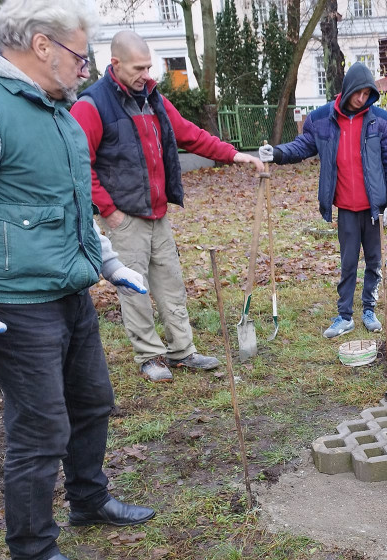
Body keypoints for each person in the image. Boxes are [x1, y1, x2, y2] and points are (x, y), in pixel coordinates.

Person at [0, 0, 156, 560]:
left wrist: (109, 263)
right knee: (39, 428)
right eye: (79, 55)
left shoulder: (58, 112)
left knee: (91, 402)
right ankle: (33, 554)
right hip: (14, 302)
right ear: (42, 45)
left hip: (67, 290)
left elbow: (68, 205)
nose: (86, 68)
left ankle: (89, 499)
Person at [71, 30, 264, 383]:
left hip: (158, 213)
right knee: (134, 288)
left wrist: (234, 155)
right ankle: (150, 356)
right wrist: (108, 211)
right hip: (123, 218)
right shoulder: (91, 105)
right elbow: (79, 166)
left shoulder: (153, 98)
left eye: (149, 66)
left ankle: (182, 351)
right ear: (115, 64)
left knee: (171, 284)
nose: (146, 74)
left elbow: (189, 133)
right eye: (138, 68)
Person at [259, 62, 387, 339]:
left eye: (367, 94)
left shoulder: (380, 120)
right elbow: (303, 146)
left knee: (374, 261)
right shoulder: (322, 118)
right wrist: (275, 153)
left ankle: (369, 310)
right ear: (347, 88)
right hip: (346, 207)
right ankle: (345, 315)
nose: (362, 99)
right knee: (348, 263)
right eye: (358, 93)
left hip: (374, 208)